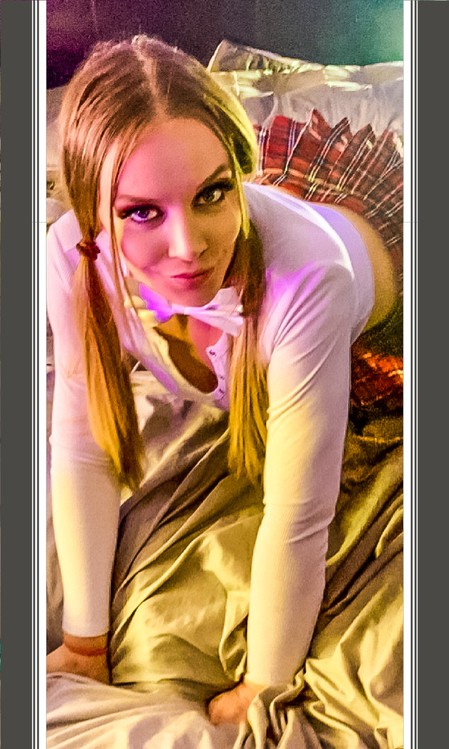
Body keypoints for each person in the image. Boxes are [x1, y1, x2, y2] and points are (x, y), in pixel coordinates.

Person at [46, 34, 399, 725]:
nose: (189, 249)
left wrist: (263, 681)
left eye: (213, 192)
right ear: (92, 215)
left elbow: (297, 515)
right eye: (142, 211)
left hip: (383, 309)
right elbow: (84, 445)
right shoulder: (70, 255)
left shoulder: (307, 280)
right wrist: (85, 641)